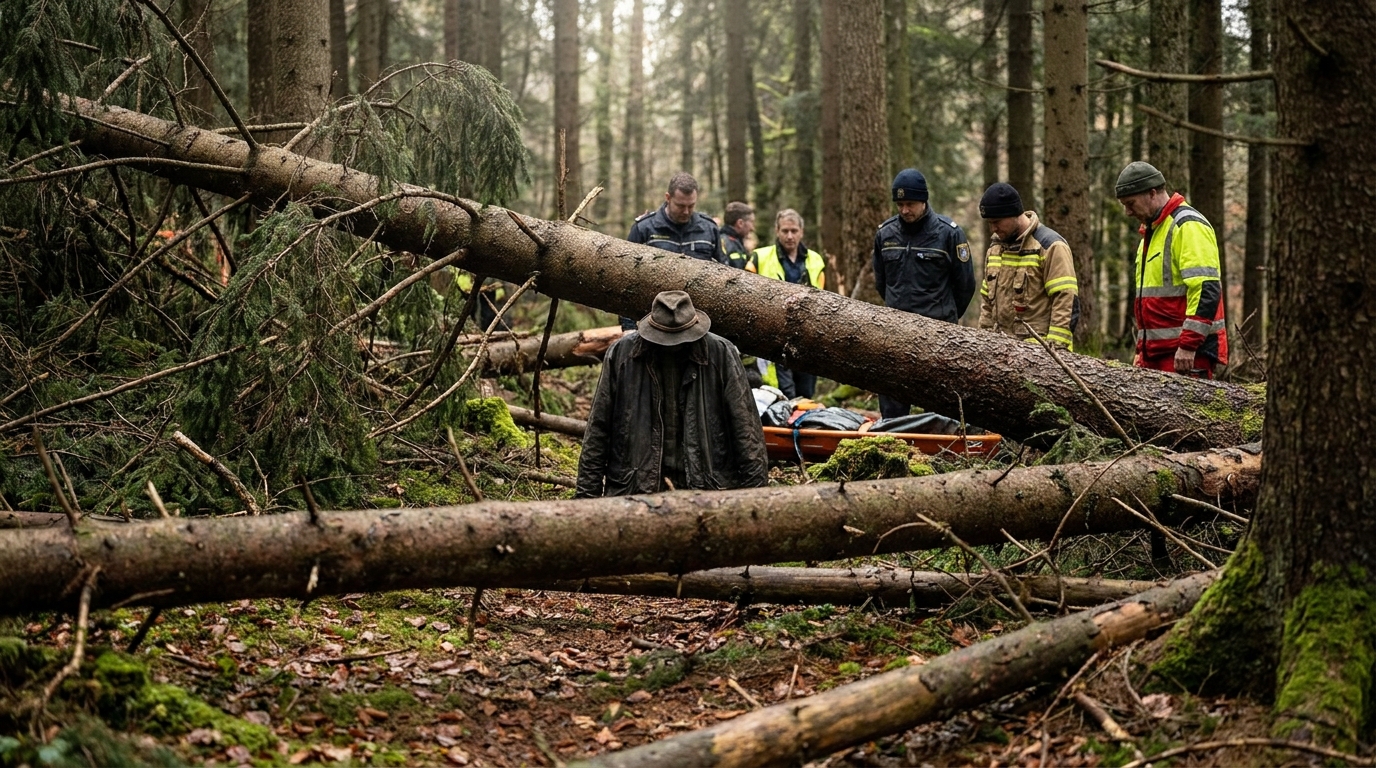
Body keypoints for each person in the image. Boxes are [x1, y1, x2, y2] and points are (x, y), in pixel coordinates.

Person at [576, 291, 770, 498]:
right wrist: (586, 498)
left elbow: (746, 430)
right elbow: (599, 429)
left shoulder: (720, 353)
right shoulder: (622, 355)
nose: (673, 345)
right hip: (637, 491)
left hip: (707, 491)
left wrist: (756, 502)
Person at [872, 168, 976, 419]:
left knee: (940, 403)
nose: (905, 210)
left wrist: (946, 315)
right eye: (900, 204)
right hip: (895, 332)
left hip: (938, 333)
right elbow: (881, 282)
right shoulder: (885, 234)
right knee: (894, 403)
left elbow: (965, 284)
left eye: (910, 204)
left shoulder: (949, 233)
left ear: (924, 201)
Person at [1115, 161, 1228, 377]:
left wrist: (1188, 345)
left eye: (1131, 203)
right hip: (1158, 354)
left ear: (1152, 193)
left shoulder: (1187, 225)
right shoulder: (1152, 233)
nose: (1128, 212)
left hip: (1185, 355)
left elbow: (1206, 289)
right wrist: (1142, 351)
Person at [976, 182, 1079, 350]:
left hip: (1039, 354)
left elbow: (1066, 300)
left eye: (997, 221)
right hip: (1000, 356)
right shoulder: (995, 249)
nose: (993, 228)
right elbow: (987, 303)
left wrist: (1055, 351)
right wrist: (984, 343)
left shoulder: (1050, 246)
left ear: (1015, 214)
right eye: (989, 223)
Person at [621, 173, 727, 330]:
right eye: (680, 206)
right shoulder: (644, 229)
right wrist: (628, 326)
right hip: (654, 321)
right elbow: (625, 278)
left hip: (699, 321)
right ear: (668, 198)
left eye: (691, 206)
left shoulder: (709, 229)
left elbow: (726, 276)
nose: (686, 211)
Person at [745, 209, 826, 398]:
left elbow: (824, 301)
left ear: (801, 232)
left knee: (806, 394)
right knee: (783, 394)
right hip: (773, 338)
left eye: (794, 231)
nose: (790, 236)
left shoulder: (815, 260)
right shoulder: (759, 257)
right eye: (785, 231)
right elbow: (745, 295)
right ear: (777, 231)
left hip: (806, 339)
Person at [721, 201, 755, 269]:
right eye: (751, 222)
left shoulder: (736, 243)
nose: (752, 228)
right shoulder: (725, 243)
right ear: (740, 223)